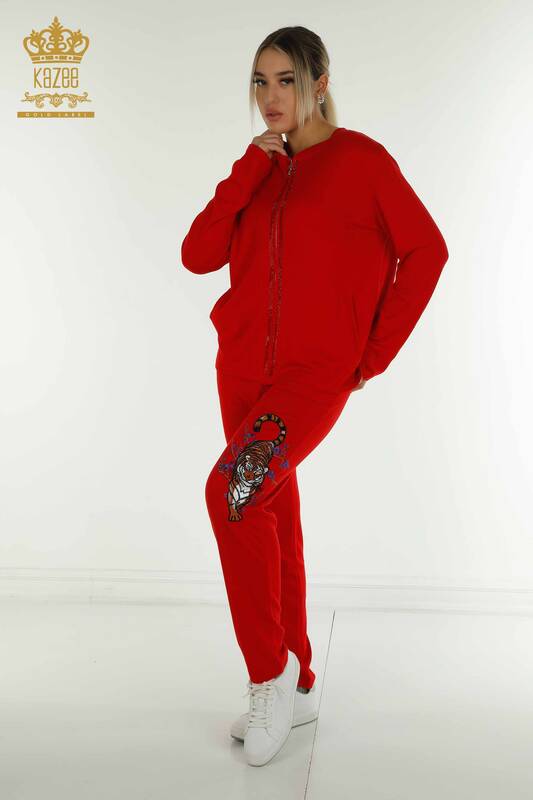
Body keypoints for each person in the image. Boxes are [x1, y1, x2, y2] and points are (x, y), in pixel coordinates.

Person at [180, 25, 449, 767]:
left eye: (286, 80)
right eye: (260, 81)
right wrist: (248, 170)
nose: (271, 97)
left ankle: (265, 674)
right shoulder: (259, 167)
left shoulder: (361, 161)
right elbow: (197, 254)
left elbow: (426, 250)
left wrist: (370, 354)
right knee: (269, 512)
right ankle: (296, 678)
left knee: (232, 493)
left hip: (311, 376)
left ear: (319, 82)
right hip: (241, 370)